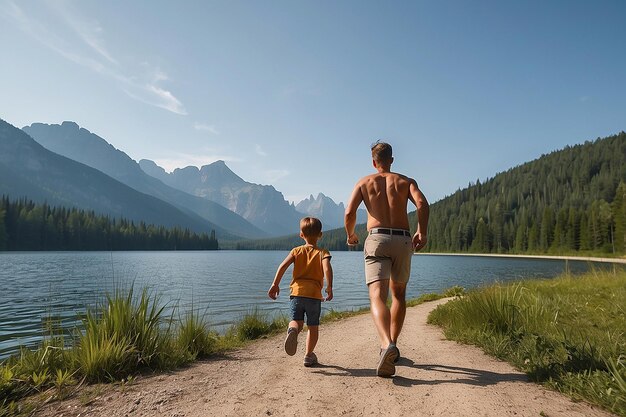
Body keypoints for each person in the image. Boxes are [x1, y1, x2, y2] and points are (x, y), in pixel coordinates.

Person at [344, 141, 429, 377]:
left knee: (376, 295)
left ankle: (385, 344)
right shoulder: (406, 181)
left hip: (377, 239)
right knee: (399, 295)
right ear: (392, 159)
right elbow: (421, 203)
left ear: (373, 162)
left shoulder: (364, 182)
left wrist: (351, 235)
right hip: (402, 240)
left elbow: (349, 212)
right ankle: (393, 343)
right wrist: (422, 231)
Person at [268, 217, 334, 367]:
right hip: (314, 295)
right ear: (320, 235)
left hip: (296, 293)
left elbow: (283, 266)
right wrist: (329, 286)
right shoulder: (323, 252)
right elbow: (327, 268)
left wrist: (275, 284)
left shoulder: (296, 251)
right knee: (313, 327)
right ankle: (308, 355)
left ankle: (293, 330)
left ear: (301, 235)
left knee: (296, 320)